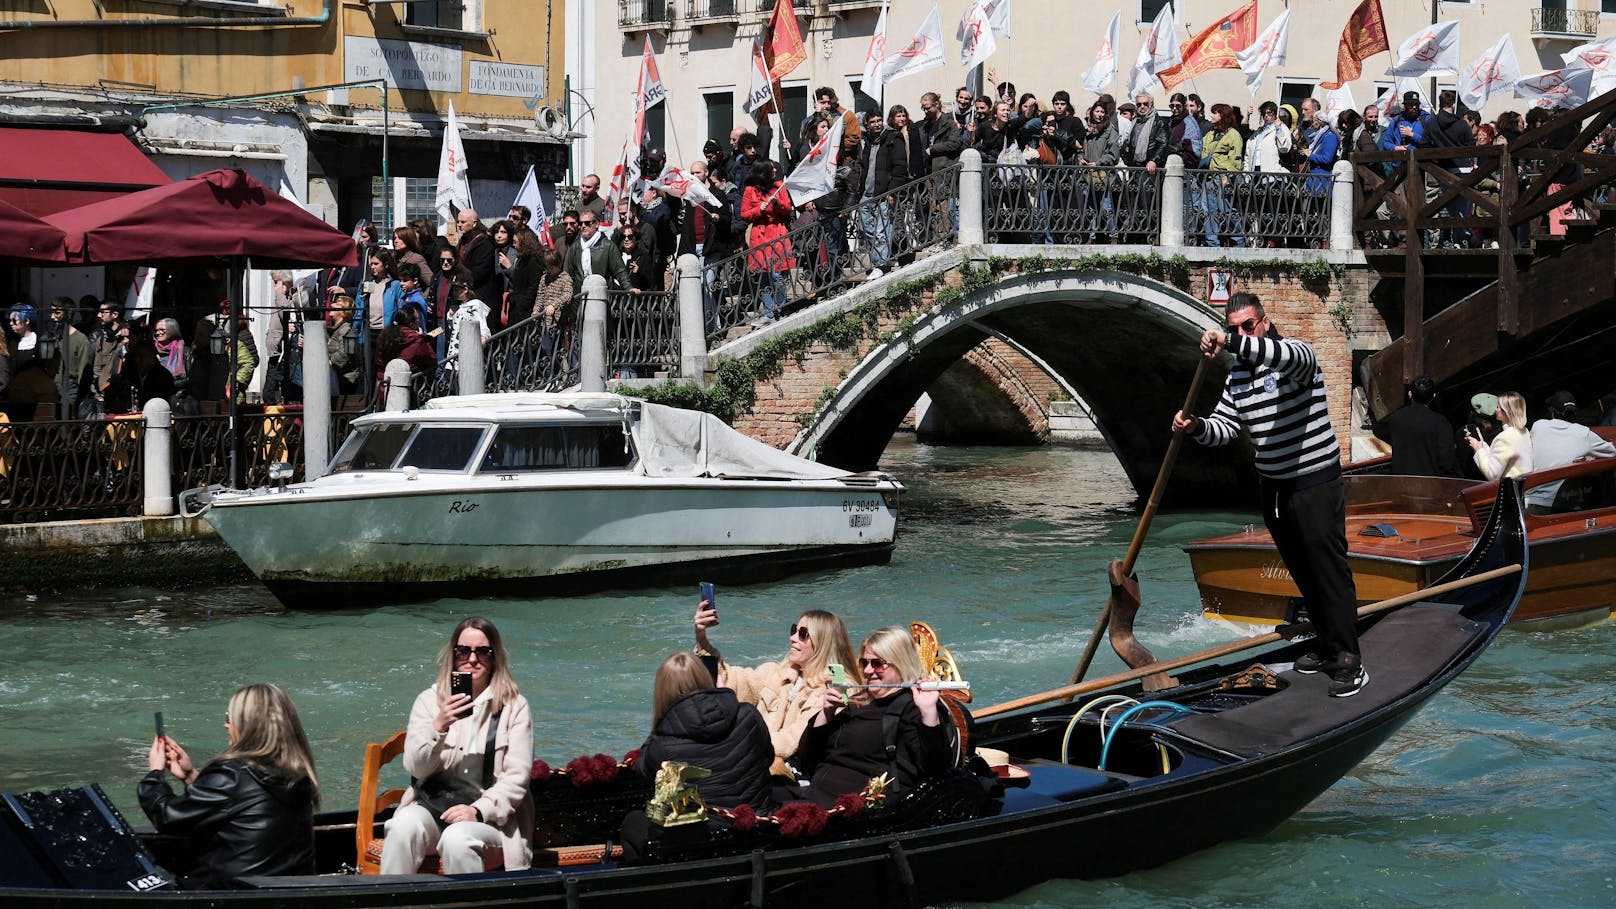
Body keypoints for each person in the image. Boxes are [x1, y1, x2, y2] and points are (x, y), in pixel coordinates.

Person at [1172, 292, 1367, 698]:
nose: (1242, 332)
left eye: (1247, 325)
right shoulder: (1237, 377)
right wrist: (1195, 428)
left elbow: (1285, 358)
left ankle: (1349, 658)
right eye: (1235, 328)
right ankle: (1324, 643)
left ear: (1263, 322)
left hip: (1314, 481)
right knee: (1301, 570)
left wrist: (1229, 341)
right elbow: (1227, 428)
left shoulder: (1296, 355)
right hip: (1275, 488)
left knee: (1327, 569)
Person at [380, 617, 534, 875]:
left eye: (482, 652)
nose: (472, 659)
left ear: (495, 657)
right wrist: (438, 727)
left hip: (491, 821)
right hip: (434, 809)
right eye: (464, 651)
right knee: (401, 826)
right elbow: (416, 769)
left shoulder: (514, 707)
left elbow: (517, 779)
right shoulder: (429, 701)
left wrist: (477, 811)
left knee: (458, 839)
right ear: (453, 655)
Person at [138, 683, 319, 885]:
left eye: (229, 718)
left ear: (248, 724)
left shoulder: (232, 773)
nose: (226, 725)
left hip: (229, 892)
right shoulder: (298, 773)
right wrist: (190, 775)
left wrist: (154, 775)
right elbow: (241, 803)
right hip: (284, 889)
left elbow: (167, 817)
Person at [787, 626, 951, 809]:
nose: (867, 670)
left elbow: (936, 769)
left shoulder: (913, 707)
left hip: (848, 807)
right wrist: (826, 713)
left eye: (877, 664)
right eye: (864, 663)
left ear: (901, 663)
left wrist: (929, 712)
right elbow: (806, 758)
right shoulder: (858, 703)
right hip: (811, 794)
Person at [692, 600, 858, 774]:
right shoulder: (778, 672)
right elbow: (730, 680)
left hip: (791, 773)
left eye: (802, 633)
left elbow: (793, 740)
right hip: (755, 756)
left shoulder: (835, 690)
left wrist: (739, 743)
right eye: (794, 630)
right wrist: (701, 637)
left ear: (823, 643)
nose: (792, 637)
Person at [636, 652, 776, 810]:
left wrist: (659, 725)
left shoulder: (661, 743)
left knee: (632, 822)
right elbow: (768, 757)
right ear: (707, 678)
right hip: (760, 819)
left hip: (706, 829)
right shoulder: (749, 714)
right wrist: (725, 697)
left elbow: (643, 774)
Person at [1526, 391, 1615, 513]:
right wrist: (1590, 457)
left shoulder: (1538, 426)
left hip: (1534, 504)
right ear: (1574, 412)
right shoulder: (1583, 433)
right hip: (1564, 505)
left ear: (1552, 412)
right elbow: (1612, 452)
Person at [740, 160, 795, 322]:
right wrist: (759, 209)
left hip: (777, 233)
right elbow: (744, 214)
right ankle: (769, 312)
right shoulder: (750, 190)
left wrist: (777, 202)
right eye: (771, 170)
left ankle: (779, 309)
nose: (774, 172)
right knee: (762, 276)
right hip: (759, 235)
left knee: (778, 275)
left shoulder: (779, 186)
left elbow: (788, 209)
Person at [1387, 375, 1459, 477]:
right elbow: (1447, 461)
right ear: (1433, 396)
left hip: (1400, 482)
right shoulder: (1441, 422)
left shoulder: (1395, 418)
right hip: (1429, 484)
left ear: (1410, 394)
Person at [1466, 391, 1533, 481]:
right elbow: (1498, 459)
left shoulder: (1505, 438)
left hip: (1511, 491)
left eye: (1498, 407)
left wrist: (1478, 450)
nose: (1495, 409)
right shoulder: (1524, 431)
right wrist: (1482, 445)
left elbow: (1492, 474)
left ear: (1506, 411)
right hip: (1525, 486)